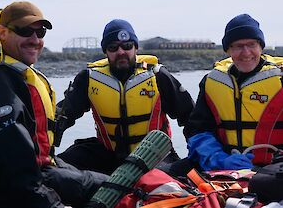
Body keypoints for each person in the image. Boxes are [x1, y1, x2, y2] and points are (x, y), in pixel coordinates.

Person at [0, 2, 108, 208]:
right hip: (4, 191)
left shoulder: (16, 76)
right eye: (25, 31)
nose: (35, 40)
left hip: (39, 172)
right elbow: (19, 179)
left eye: (40, 32)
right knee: (111, 189)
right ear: (2, 33)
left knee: (110, 184)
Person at [56, 19, 195, 175]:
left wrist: (198, 152)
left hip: (155, 156)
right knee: (57, 168)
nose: (121, 52)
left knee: (177, 173)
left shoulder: (157, 76)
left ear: (136, 48)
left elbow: (192, 117)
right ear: (105, 51)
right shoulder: (88, 79)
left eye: (127, 46)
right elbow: (62, 115)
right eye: (113, 47)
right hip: (107, 154)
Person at [184, 13, 283, 171]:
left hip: (275, 170)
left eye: (251, 45)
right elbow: (198, 129)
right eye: (238, 46)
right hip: (225, 167)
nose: (246, 52)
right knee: (163, 177)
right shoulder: (212, 81)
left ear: (260, 46)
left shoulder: (280, 79)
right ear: (228, 50)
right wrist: (218, 158)